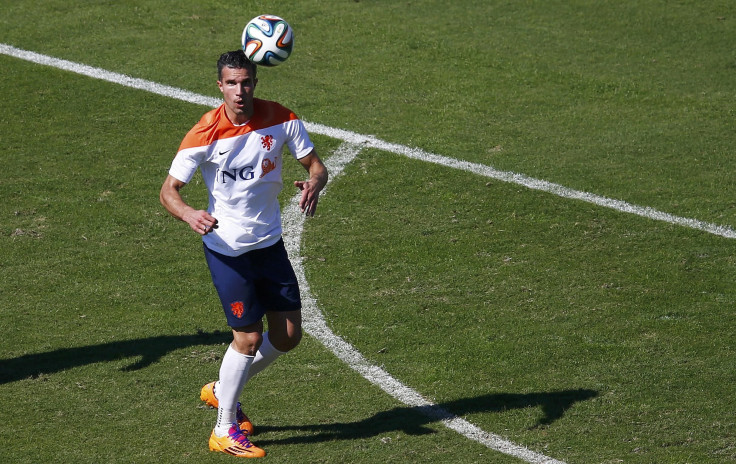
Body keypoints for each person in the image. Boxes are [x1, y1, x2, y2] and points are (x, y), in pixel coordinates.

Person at [160, 50, 328, 458]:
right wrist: (188, 214)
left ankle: (221, 389)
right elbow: (168, 192)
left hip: (269, 244)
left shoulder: (282, 118)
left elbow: (316, 166)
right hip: (228, 251)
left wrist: (314, 183)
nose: (240, 91)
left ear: (256, 81)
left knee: (287, 337)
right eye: (231, 83)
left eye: (246, 82)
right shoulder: (203, 134)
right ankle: (225, 428)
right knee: (249, 338)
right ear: (220, 86)